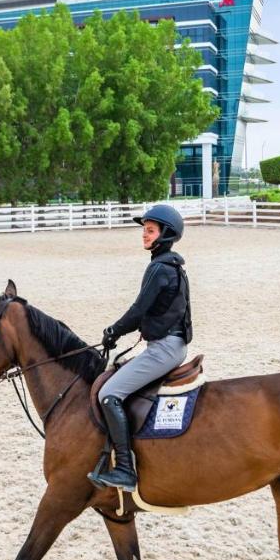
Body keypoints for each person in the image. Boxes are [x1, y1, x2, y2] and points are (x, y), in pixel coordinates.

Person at [89, 204, 193, 492]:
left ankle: (124, 469)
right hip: (170, 344)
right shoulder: (173, 264)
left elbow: (138, 310)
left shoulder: (159, 268)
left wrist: (113, 331)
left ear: (165, 234)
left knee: (109, 394)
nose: (144, 235)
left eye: (150, 231)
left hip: (165, 349)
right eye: (144, 230)